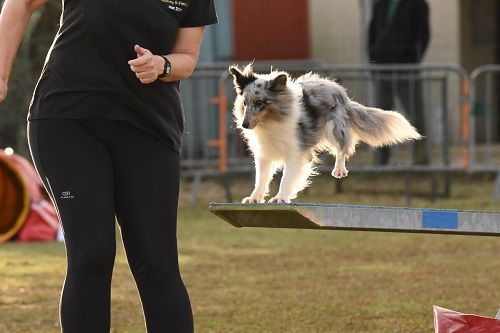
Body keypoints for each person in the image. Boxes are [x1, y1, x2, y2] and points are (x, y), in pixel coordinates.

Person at [0, 0, 217, 331]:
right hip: (69, 121)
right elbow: (20, 3)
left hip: (149, 128)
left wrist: (161, 65)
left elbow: (186, 57)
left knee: (157, 263)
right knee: (91, 256)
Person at [368, 0, 430, 165]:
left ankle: (421, 159)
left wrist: (412, 62)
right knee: (381, 118)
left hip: (406, 70)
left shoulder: (417, 5)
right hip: (383, 68)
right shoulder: (380, 4)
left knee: (415, 116)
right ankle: (382, 161)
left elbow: (423, 36)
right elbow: (372, 34)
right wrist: (374, 60)